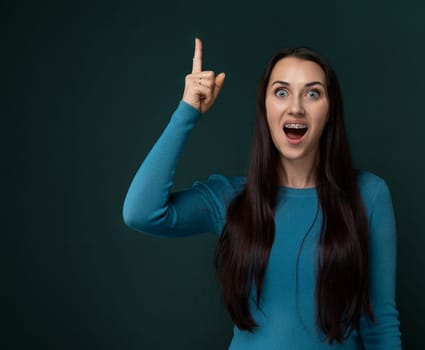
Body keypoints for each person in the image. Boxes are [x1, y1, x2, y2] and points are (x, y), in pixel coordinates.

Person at [122, 38, 402, 349]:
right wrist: (187, 112)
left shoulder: (368, 195)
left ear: (330, 109)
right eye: (281, 92)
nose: (296, 107)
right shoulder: (230, 198)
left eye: (312, 93)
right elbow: (141, 212)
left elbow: (380, 324)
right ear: (265, 107)